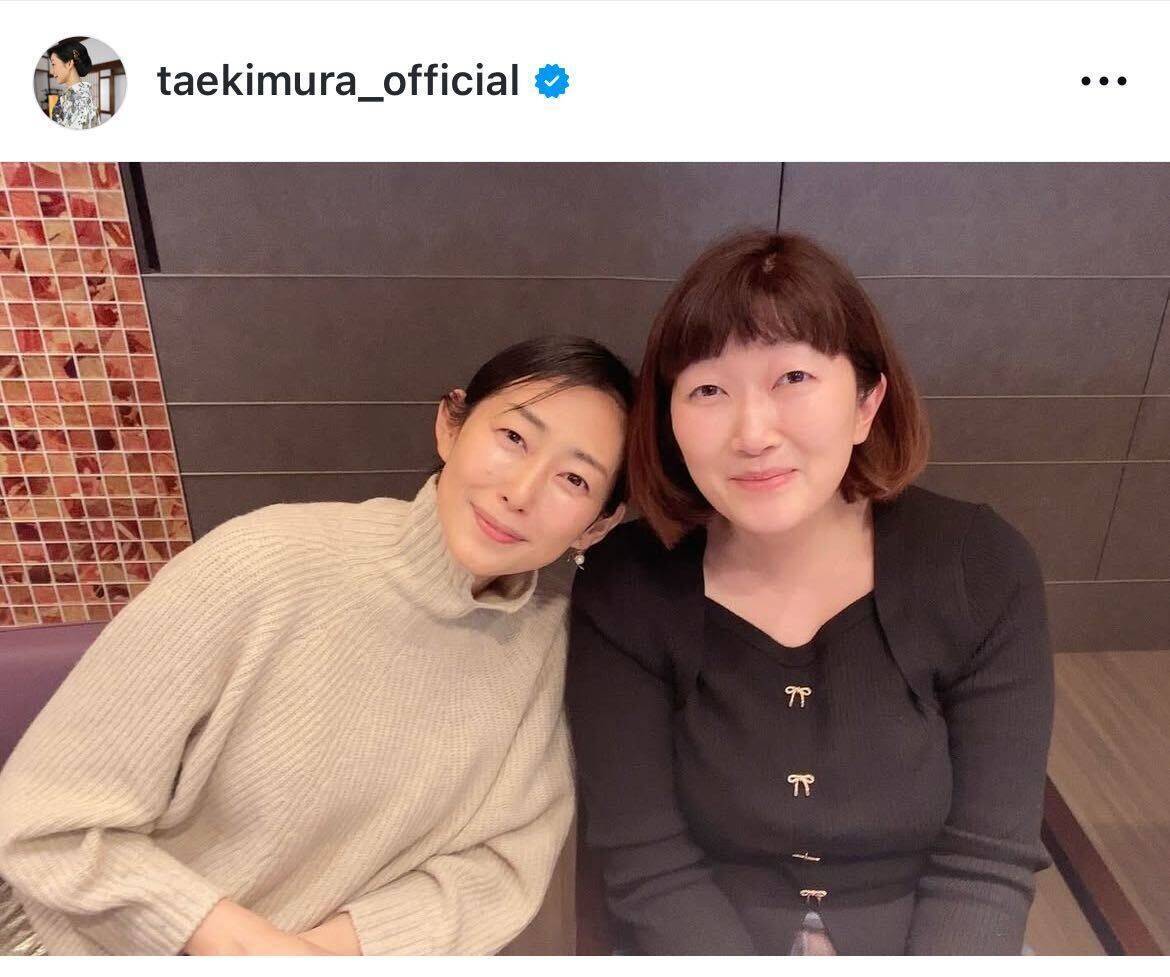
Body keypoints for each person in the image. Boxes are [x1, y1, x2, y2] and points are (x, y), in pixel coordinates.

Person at [0, 335, 633, 955]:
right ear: (450, 425)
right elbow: (46, 821)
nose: (521, 493)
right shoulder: (260, 562)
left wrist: (323, 954)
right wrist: (246, 950)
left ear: (598, 524)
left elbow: (500, 867)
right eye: (514, 438)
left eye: (574, 479)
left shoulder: (547, 643)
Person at [566, 232, 1054, 955]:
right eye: (708, 390)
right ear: (667, 420)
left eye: (792, 377)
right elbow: (647, 862)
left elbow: (985, 861)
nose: (753, 433)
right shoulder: (626, 583)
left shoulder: (978, 565)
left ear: (866, 402)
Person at [47, 40, 99, 130]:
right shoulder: (78, 96)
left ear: (69, 64)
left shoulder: (79, 102)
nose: (52, 71)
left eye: (53, 64)